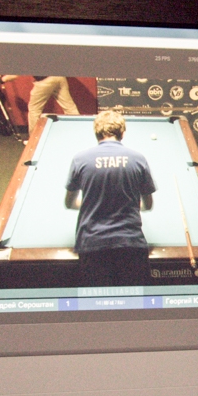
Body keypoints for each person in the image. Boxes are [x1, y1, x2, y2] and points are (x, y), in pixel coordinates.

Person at [64, 110, 155, 287]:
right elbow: (148, 205)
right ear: (123, 133)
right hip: (131, 243)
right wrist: (131, 204)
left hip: (91, 245)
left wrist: (91, 201)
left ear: (96, 133)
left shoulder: (80, 159)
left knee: (97, 300)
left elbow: (69, 203)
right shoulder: (138, 159)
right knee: (135, 300)